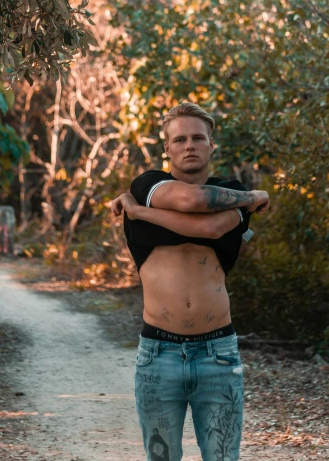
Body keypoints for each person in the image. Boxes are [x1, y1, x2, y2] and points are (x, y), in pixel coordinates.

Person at [109, 102, 270, 461]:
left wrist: (140, 213)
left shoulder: (228, 189)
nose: (189, 145)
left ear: (212, 144)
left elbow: (209, 226)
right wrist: (255, 198)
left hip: (218, 354)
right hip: (158, 354)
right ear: (166, 148)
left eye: (198, 137)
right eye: (179, 139)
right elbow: (193, 200)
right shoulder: (147, 185)